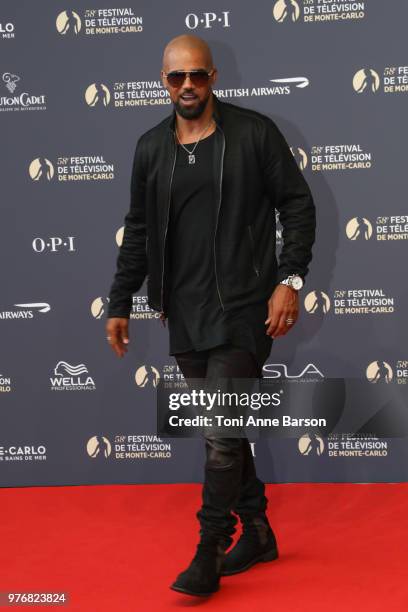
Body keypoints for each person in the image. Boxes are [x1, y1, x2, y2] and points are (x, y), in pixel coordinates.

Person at [106, 33, 316, 597]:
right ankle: (261, 532)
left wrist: (289, 280)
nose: (188, 86)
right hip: (185, 312)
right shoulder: (151, 148)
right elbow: (140, 231)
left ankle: (208, 550)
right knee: (225, 431)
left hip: (245, 309)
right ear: (164, 82)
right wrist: (120, 299)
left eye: (198, 75)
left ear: (214, 77)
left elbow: (297, 204)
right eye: (177, 77)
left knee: (221, 438)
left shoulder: (253, 133)